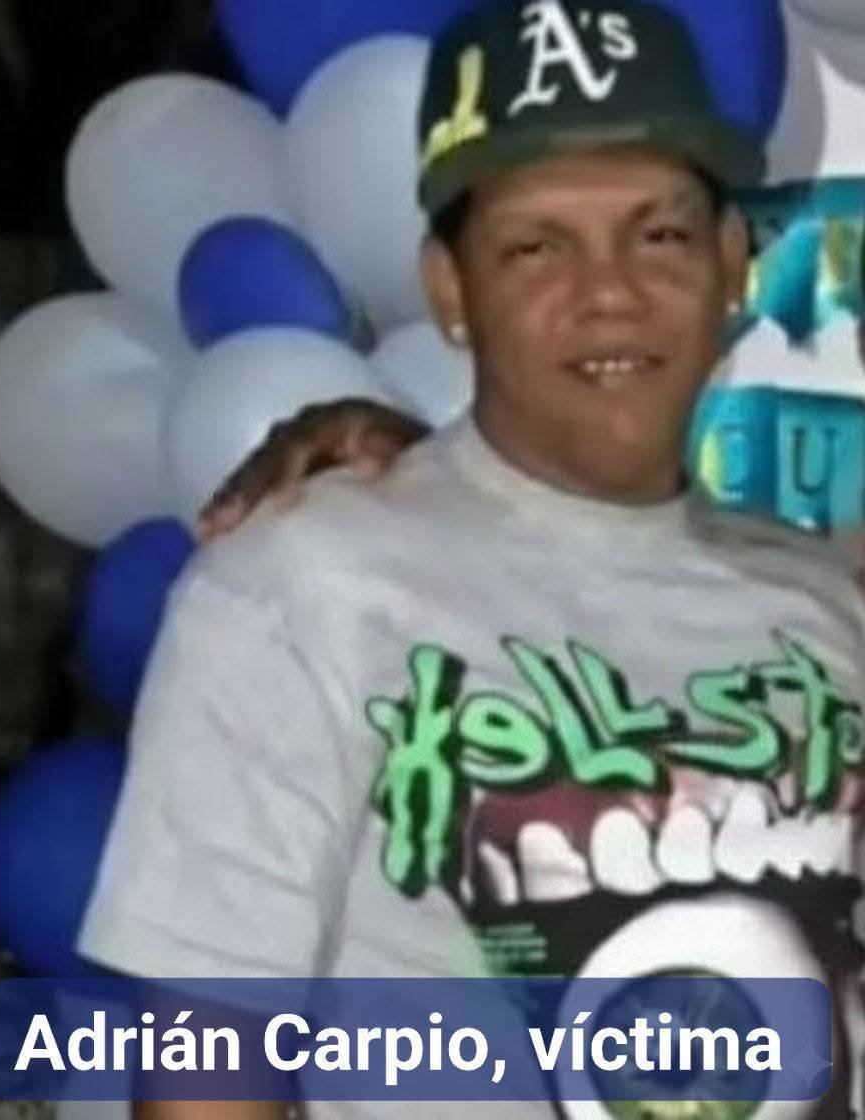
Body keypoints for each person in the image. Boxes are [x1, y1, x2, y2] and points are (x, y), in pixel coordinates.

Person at [79, 1, 865, 1118]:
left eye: (659, 235)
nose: (610, 292)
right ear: (449, 288)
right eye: (537, 246)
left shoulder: (820, 604)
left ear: (733, 264)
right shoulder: (300, 590)